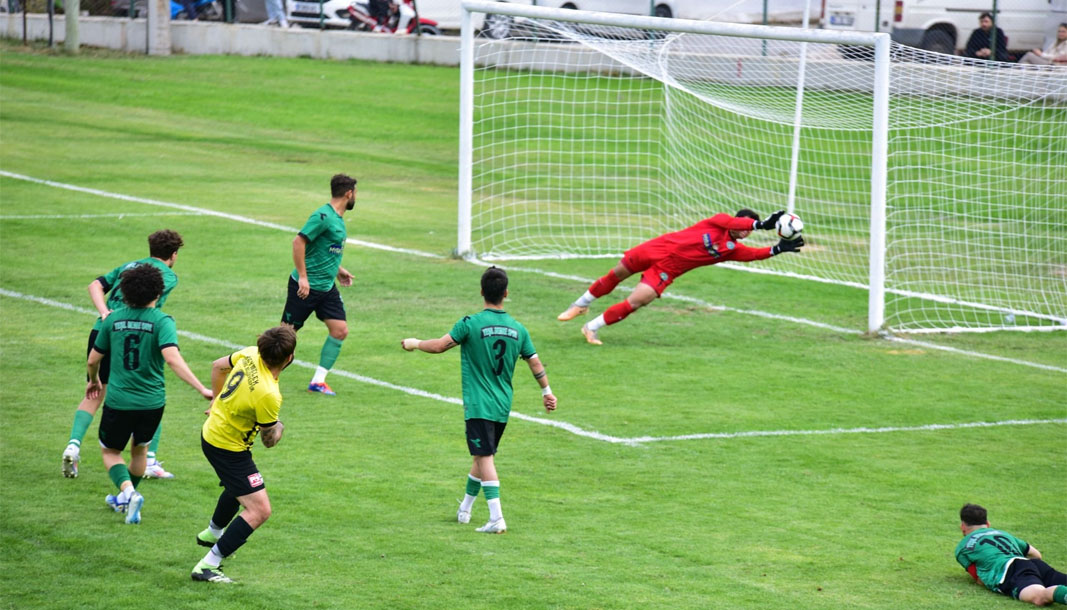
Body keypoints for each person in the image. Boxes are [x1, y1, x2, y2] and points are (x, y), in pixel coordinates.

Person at [401, 267, 557, 534]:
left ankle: (497, 518)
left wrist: (414, 342)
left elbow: (440, 345)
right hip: (502, 404)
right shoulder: (519, 329)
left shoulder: (470, 324)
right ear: (506, 293)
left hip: (478, 404)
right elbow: (534, 362)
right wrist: (547, 391)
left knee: (484, 457)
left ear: (482, 291)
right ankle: (465, 508)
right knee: (481, 456)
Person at [556, 209, 803, 345]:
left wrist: (778, 249)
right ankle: (580, 304)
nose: (744, 231)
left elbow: (754, 255)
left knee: (637, 301)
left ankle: (591, 327)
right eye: (744, 225)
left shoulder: (731, 250)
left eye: (748, 229)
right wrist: (759, 224)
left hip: (668, 270)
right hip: (659, 247)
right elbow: (732, 221)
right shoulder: (718, 222)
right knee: (617, 273)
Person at [86, 264, 213, 524]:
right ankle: (126, 501)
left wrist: (94, 380)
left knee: (110, 452)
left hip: (119, 401)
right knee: (140, 450)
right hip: (152, 402)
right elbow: (173, 359)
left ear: (125, 291)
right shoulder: (162, 321)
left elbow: (93, 360)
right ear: (158, 292)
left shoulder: (112, 319)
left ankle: (128, 492)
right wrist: (201, 388)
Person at [63, 229, 184, 480]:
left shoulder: (128, 266)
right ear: (173, 255)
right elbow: (148, 307)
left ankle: (73, 445)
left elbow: (95, 285)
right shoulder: (167, 276)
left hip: (102, 331)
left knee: (94, 390)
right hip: (134, 334)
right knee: (149, 391)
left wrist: (105, 311)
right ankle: (148, 459)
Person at [191, 326, 297, 583]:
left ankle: (213, 533)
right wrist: (279, 427)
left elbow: (218, 366)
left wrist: (216, 400)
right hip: (228, 448)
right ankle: (208, 566)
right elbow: (269, 440)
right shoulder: (269, 395)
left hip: (214, 432)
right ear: (288, 358)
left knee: (239, 486)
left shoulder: (250, 354)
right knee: (260, 510)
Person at [281, 173, 357, 396]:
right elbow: (299, 242)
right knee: (284, 339)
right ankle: (260, 375)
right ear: (349, 193)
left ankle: (318, 381)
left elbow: (324, 249)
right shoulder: (323, 216)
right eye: (355, 194)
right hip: (305, 288)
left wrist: (338, 270)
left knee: (340, 330)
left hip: (326, 289)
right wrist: (303, 277)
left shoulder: (337, 218)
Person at [956, 503, 1067, 606]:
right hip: (1033, 564)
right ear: (988, 524)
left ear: (962, 526)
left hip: (1009, 570)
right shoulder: (1003, 533)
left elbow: (980, 580)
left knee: (1038, 596)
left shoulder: (962, 548)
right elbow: (1036, 555)